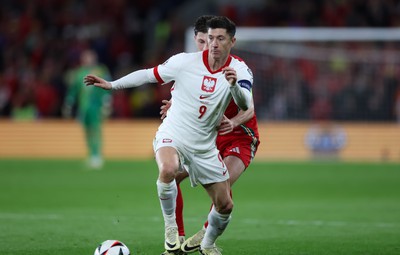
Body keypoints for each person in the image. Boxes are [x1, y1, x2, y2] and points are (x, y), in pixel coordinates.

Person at [84, 16, 253, 255]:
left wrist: (234, 86)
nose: (213, 44)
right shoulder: (184, 62)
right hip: (174, 133)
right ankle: (171, 228)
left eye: (219, 39)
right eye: (210, 38)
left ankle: (206, 245)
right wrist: (112, 85)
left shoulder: (240, 70)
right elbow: (147, 74)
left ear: (231, 41)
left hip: (205, 146)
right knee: (168, 169)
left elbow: (246, 104)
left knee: (225, 205)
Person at [159, 15, 260, 255]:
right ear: (196, 40)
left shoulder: (236, 68)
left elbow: (250, 109)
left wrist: (233, 122)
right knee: (170, 174)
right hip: (205, 138)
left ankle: (207, 235)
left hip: (239, 136)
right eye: (203, 41)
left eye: (214, 40)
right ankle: (177, 239)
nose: (209, 47)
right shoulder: (193, 66)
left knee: (222, 187)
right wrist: (174, 104)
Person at [63, 49, 112, 169]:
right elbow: (73, 90)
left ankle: (97, 155)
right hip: (84, 107)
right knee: (87, 131)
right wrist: (68, 103)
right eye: (85, 58)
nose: (87, 60)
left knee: (96, 130)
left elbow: (107, 87)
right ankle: (91, 154)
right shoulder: (79, 73)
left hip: (96, 107)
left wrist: (107, 103)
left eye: (89, 58)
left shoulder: (101, 71)